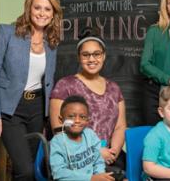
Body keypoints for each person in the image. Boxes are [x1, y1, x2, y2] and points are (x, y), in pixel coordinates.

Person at [0, 0, 62, 180]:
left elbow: (48, 80)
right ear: (29, 8)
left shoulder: (51, 42)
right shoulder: (6, 32)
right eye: (37, 8)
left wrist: (48, 116)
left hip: (36, 109)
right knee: (24, 169)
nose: (42, 13)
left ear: (53, 14)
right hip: (10, 109)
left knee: (30, 168)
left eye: (47, 9)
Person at [50, 27, 127, 177]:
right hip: (76, 158)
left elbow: (120, 126)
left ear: (104, 56)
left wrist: (114, 152)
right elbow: (59, 129)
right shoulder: (65, 85)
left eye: (96, 54)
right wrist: (96, 153)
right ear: (79, 57)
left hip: (109, 156)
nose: (91, 59)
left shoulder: (114, 89)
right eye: (86, 55)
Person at [50, 95, 115, 181]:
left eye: (82, 117)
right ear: (61, 120)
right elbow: (59, 173)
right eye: (71, 116)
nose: (77, 120)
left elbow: (98, 161)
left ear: (87, 120)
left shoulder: (90, 135)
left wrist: (100, 176)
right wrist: (90, 178)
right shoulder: (57, 142)